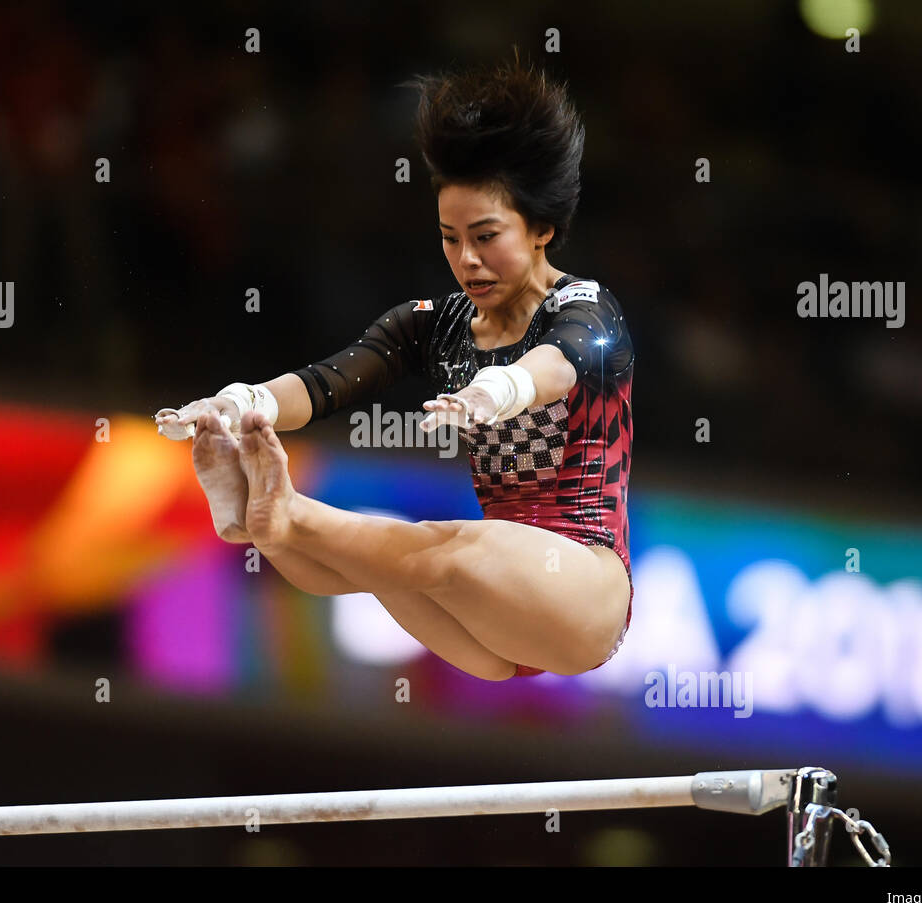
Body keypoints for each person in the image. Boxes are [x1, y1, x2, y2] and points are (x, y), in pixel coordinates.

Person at [156, 54, 635, 681]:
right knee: (364, 561)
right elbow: (328, 381)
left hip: (581, 593)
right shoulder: (436, 322)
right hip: (493, 636)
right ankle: (266, 521)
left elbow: (559, 363)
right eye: (450, 237)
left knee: (448, 544)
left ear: (541, 226)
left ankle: (288, 512)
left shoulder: (586, 309)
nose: (467, 260)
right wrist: (243, 403)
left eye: (487, 236)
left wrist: (495, 390)